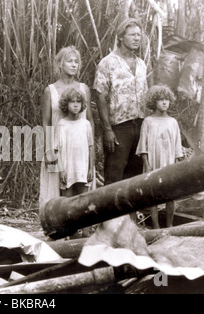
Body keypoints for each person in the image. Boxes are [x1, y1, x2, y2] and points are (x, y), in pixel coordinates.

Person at [93, 18, 148, 219]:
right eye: (132, 35)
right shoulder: (107, 63)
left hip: (140, 125)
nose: (137, 39)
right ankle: (107, 223)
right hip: (119, 127)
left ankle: (130, 224)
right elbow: (99, 95)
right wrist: (107, 129)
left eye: (139, 35)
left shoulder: (141, 64)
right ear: (121, 37)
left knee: (134, 177)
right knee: (114, 176)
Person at [39, 46, 95, 210]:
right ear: (60, 64)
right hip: (59, 147)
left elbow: (90, 120)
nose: (73, 65)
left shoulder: (83, 89)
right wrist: (49, 151)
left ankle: (81, 228)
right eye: (69, 61)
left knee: (81, 190)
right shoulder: (50, 91)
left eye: (76, 62)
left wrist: (92, 155)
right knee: (59, 191)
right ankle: (61, 228)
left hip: (80, 149)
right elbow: (46, 122)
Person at [136, 85, 183, 228]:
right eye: (161, 100)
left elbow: (177, 146)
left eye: (167, 100)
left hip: (168, 164)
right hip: (153, 163)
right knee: (153, 196)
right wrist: (147, 164)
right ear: (153, 102)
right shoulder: (148, 121)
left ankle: (169, 225)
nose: (164, 102)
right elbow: (143, 146)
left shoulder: (172, 122)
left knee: (170, 196)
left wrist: (176, 164)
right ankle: (156, 227)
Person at [56, 87, 94, 197]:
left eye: (78, 102)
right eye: (72, 102)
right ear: (66, 104)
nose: (76, 105)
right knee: (66, 203)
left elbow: (90, 146)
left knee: (83, 201)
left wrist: (90, 169)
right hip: (68, 169)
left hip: (83, 169)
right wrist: (61, 170)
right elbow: (59, 149)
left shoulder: (86, 124)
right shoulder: (62, 124)